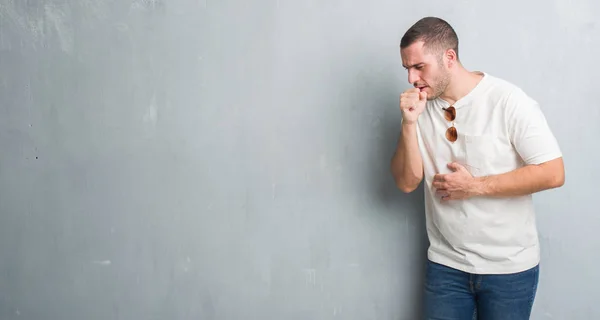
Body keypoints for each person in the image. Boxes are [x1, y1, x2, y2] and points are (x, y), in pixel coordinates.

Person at [390, 16, 565, 319]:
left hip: (508, 269)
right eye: (407, 68)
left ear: (449, 57)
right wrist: (408, 124)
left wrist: (474, 186)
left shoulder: (507, 101)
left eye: (419, 67)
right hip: (446, 266)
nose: (411, 79)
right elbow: (407, 182)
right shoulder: (420, 108)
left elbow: (553, 172)